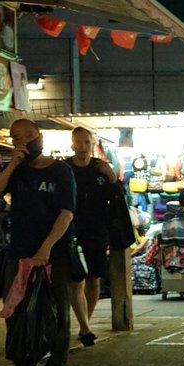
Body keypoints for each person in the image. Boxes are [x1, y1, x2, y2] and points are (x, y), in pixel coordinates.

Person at [0, 119, 76, 366]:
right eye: (16, 138)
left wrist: (45, 248)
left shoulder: (61, 171)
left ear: (40, 137)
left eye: (29, 136)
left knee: (58, 314)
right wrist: (12, 165)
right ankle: (22, 364)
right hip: (19, 254)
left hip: (54, 254)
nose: (24, 141)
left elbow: (66, 213)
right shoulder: (17, 172)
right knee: (14, 312)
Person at [66, 127, 117, 347]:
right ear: (72, 144)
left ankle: (86, 321)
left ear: (92, 144)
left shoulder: (100, 168)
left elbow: (116, 196)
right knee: (76, 279)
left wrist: (112, 177)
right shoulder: (64, 169)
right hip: (72, 230)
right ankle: (85, 327)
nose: (82, 147)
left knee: (94, 279)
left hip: (97, 231)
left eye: (86, 142)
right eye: (78, 142)